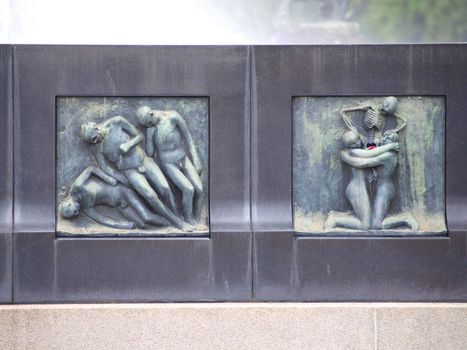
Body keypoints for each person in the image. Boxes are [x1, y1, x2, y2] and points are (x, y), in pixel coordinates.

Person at [80, 116, 190, 231]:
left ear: (96, 128)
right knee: (150, 195)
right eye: (92, 141)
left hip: (144, 161)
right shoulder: (95, 147)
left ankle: (177, 216)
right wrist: (123, 179)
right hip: (129, 171)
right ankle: (176, 222)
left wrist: (129, 145)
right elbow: (105, 168)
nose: (95, 141)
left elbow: (139, 136)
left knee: (165, 188)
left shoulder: (116, 122)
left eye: (94, 138)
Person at [136, 107, 204, 225]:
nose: (149, 125)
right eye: (146, 125)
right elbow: (150, 153)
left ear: (151, 114)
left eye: (149, 122)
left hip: (183, 157)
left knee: (200, 189)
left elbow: (188, 137)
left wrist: (196, 159)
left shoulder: (173, 117)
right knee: (188, 189)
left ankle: (198, 221)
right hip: (168, 163)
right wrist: (149, 135)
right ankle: (188, 220)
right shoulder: (151, 129)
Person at [59, 166, 178, 230]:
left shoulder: (77, 186)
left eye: (73, 212)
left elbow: (90, 169)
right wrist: (122, 226)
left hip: (122, 192)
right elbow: (102, 219)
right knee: (141, 225)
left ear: (68, 204)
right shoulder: (85, 208)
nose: (76, 213)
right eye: (75, 214)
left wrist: (108, 178)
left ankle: (173, 224)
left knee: (147, 218)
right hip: (117, 205)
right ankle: (167, 227)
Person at [325, 130, 400, 230]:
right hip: (357, 188)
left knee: (374, 223)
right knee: (366, 224)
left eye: (387, 138)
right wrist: (390, 146)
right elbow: (367, 158)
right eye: (357, 140)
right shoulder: (353, 151)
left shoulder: (388, 156)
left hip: (376, 188)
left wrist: (346, 158)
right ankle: (334, 220)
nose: (383, 139)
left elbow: (368, 159)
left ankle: (404, 219)